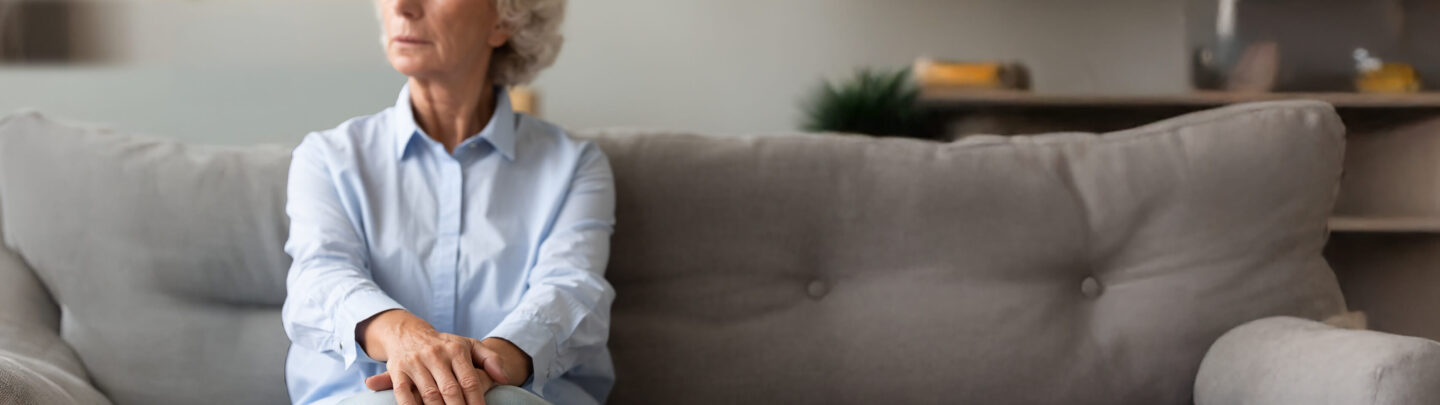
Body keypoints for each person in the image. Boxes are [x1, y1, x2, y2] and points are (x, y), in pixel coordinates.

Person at [280, 0, 616, 404]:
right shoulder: (328, 158)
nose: (402, 6)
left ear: (504, 19)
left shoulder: (573, 165)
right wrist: (406, 338)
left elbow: (572, 290)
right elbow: (320, 275)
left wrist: (482, 371)